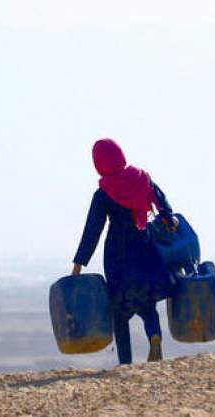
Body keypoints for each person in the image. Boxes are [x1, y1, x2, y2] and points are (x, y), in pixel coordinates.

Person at [72, 138, 178, 364]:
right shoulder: (141, 178)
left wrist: (79, 263)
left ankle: (125, 362)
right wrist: (170, 219)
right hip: (144, 245)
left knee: (120, 311)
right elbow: (162, 203)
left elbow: (93, 230)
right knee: (147, 302)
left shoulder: (103, 193)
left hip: (117, 255)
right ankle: (155, 337)